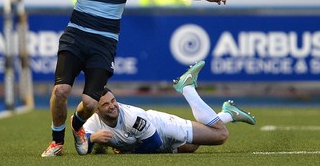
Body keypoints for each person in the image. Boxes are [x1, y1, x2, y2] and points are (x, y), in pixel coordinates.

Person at [26, 0, 227, 157]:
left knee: (90, 104)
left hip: (104, 43)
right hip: (75, 36)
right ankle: (57, 142)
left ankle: (77, 125)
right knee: (60, 91)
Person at [82, 61, 256, 154]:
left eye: (114, 101)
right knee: (191, 147)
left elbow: (154, 142)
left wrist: (129, 152)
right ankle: (227, 113)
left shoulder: (131, 117)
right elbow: (82, 146)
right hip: (152, 139)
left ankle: (187, 88)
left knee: (220, 135)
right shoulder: (92, 122)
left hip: (163, 127)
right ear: (96, 109)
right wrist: (92, 138)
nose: (113, 106)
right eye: (106, 104)